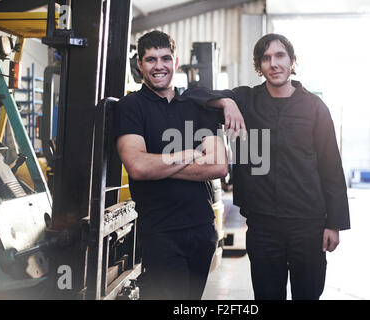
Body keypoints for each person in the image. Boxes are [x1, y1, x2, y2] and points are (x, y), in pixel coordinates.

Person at [184, 33, 350, 300]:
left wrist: (335, 224)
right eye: (266, 58)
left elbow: (330, 166)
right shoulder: (246, 101)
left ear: (292, 61)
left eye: (280, 56)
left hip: (308, 224)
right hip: (263, 227)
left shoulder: (315, 108)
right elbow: (192, 94)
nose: (274, 64)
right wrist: (227, 102)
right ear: (259, 66)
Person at [113, 30, 228, 300]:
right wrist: (190, 154)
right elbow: (138, 167)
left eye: (165, 58)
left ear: (175, 62)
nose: (159, 66)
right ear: (139, 64)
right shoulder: (130, 107)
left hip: (202, 229)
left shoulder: (196, 106)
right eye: (150, 59)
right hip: (161, 231)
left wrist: (160, 166)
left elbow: (219, 166)